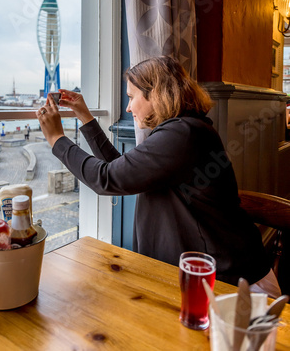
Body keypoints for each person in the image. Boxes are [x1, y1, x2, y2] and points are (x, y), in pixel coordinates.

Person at [36, 56, 280, 296]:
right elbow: (121, 168)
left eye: (131, 97)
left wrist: (57, 139)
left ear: (156, 93)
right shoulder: (183, 129)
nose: (128, 107)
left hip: (233, 285)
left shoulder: (182, 134)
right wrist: (85, 116)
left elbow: (106, 178)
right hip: (210, 277)